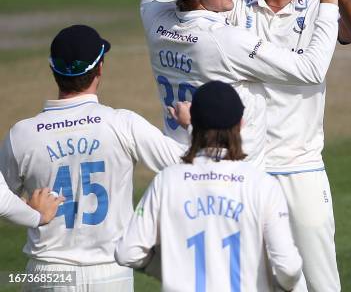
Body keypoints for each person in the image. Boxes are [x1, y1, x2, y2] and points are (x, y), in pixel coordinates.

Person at [202, 0, 351, 291]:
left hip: (302, 167)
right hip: (249, 166)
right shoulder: (235, 6)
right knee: (256, 280)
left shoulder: (317, 7)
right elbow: (188, 15)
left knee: (320, 280)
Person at [0, 25, 188, 291]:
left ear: (53, 70)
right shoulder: (123, 124)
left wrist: (33, 215)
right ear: (100, 68)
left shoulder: (21, 135)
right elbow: (187, 165)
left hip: (46, 274)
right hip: (111, 274)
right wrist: (190, 126)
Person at [139, 0, 340, 176]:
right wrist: (328, 1)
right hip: (232, 176)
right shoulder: (225, 40)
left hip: (178, 168)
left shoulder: (156, 20)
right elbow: (311, 70)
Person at [115, 81, 302, 291]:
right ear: (240, 123)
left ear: (191, 121)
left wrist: (163, 271)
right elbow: (289, 267)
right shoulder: (262, 185)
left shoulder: (166, 181)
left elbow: (127, 252)